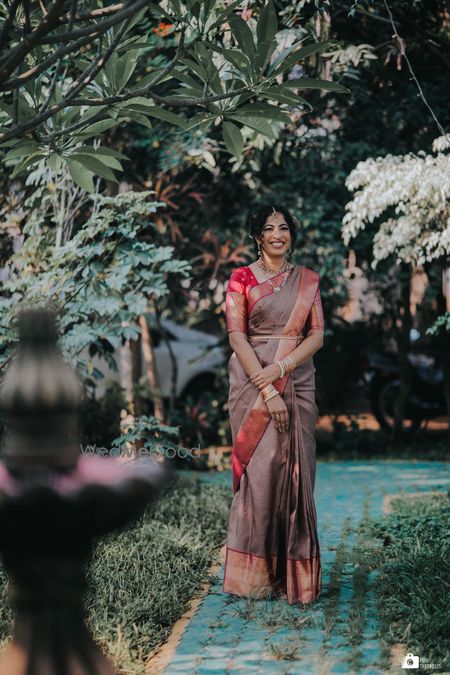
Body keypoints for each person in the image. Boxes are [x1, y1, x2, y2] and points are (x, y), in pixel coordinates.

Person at [222, 204, 324, 605]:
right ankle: (255, 577)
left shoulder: (307, 281)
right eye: (269, 228)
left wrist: (283, 366)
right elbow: (236, 337)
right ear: (257, 236)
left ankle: (292, 576)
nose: (278, 234)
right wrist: (267, 389)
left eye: (284, 228)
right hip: (252, 383)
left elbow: (316, 336)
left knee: (297, 473)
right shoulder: (240, 279)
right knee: (260, 471)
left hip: (298, 378)